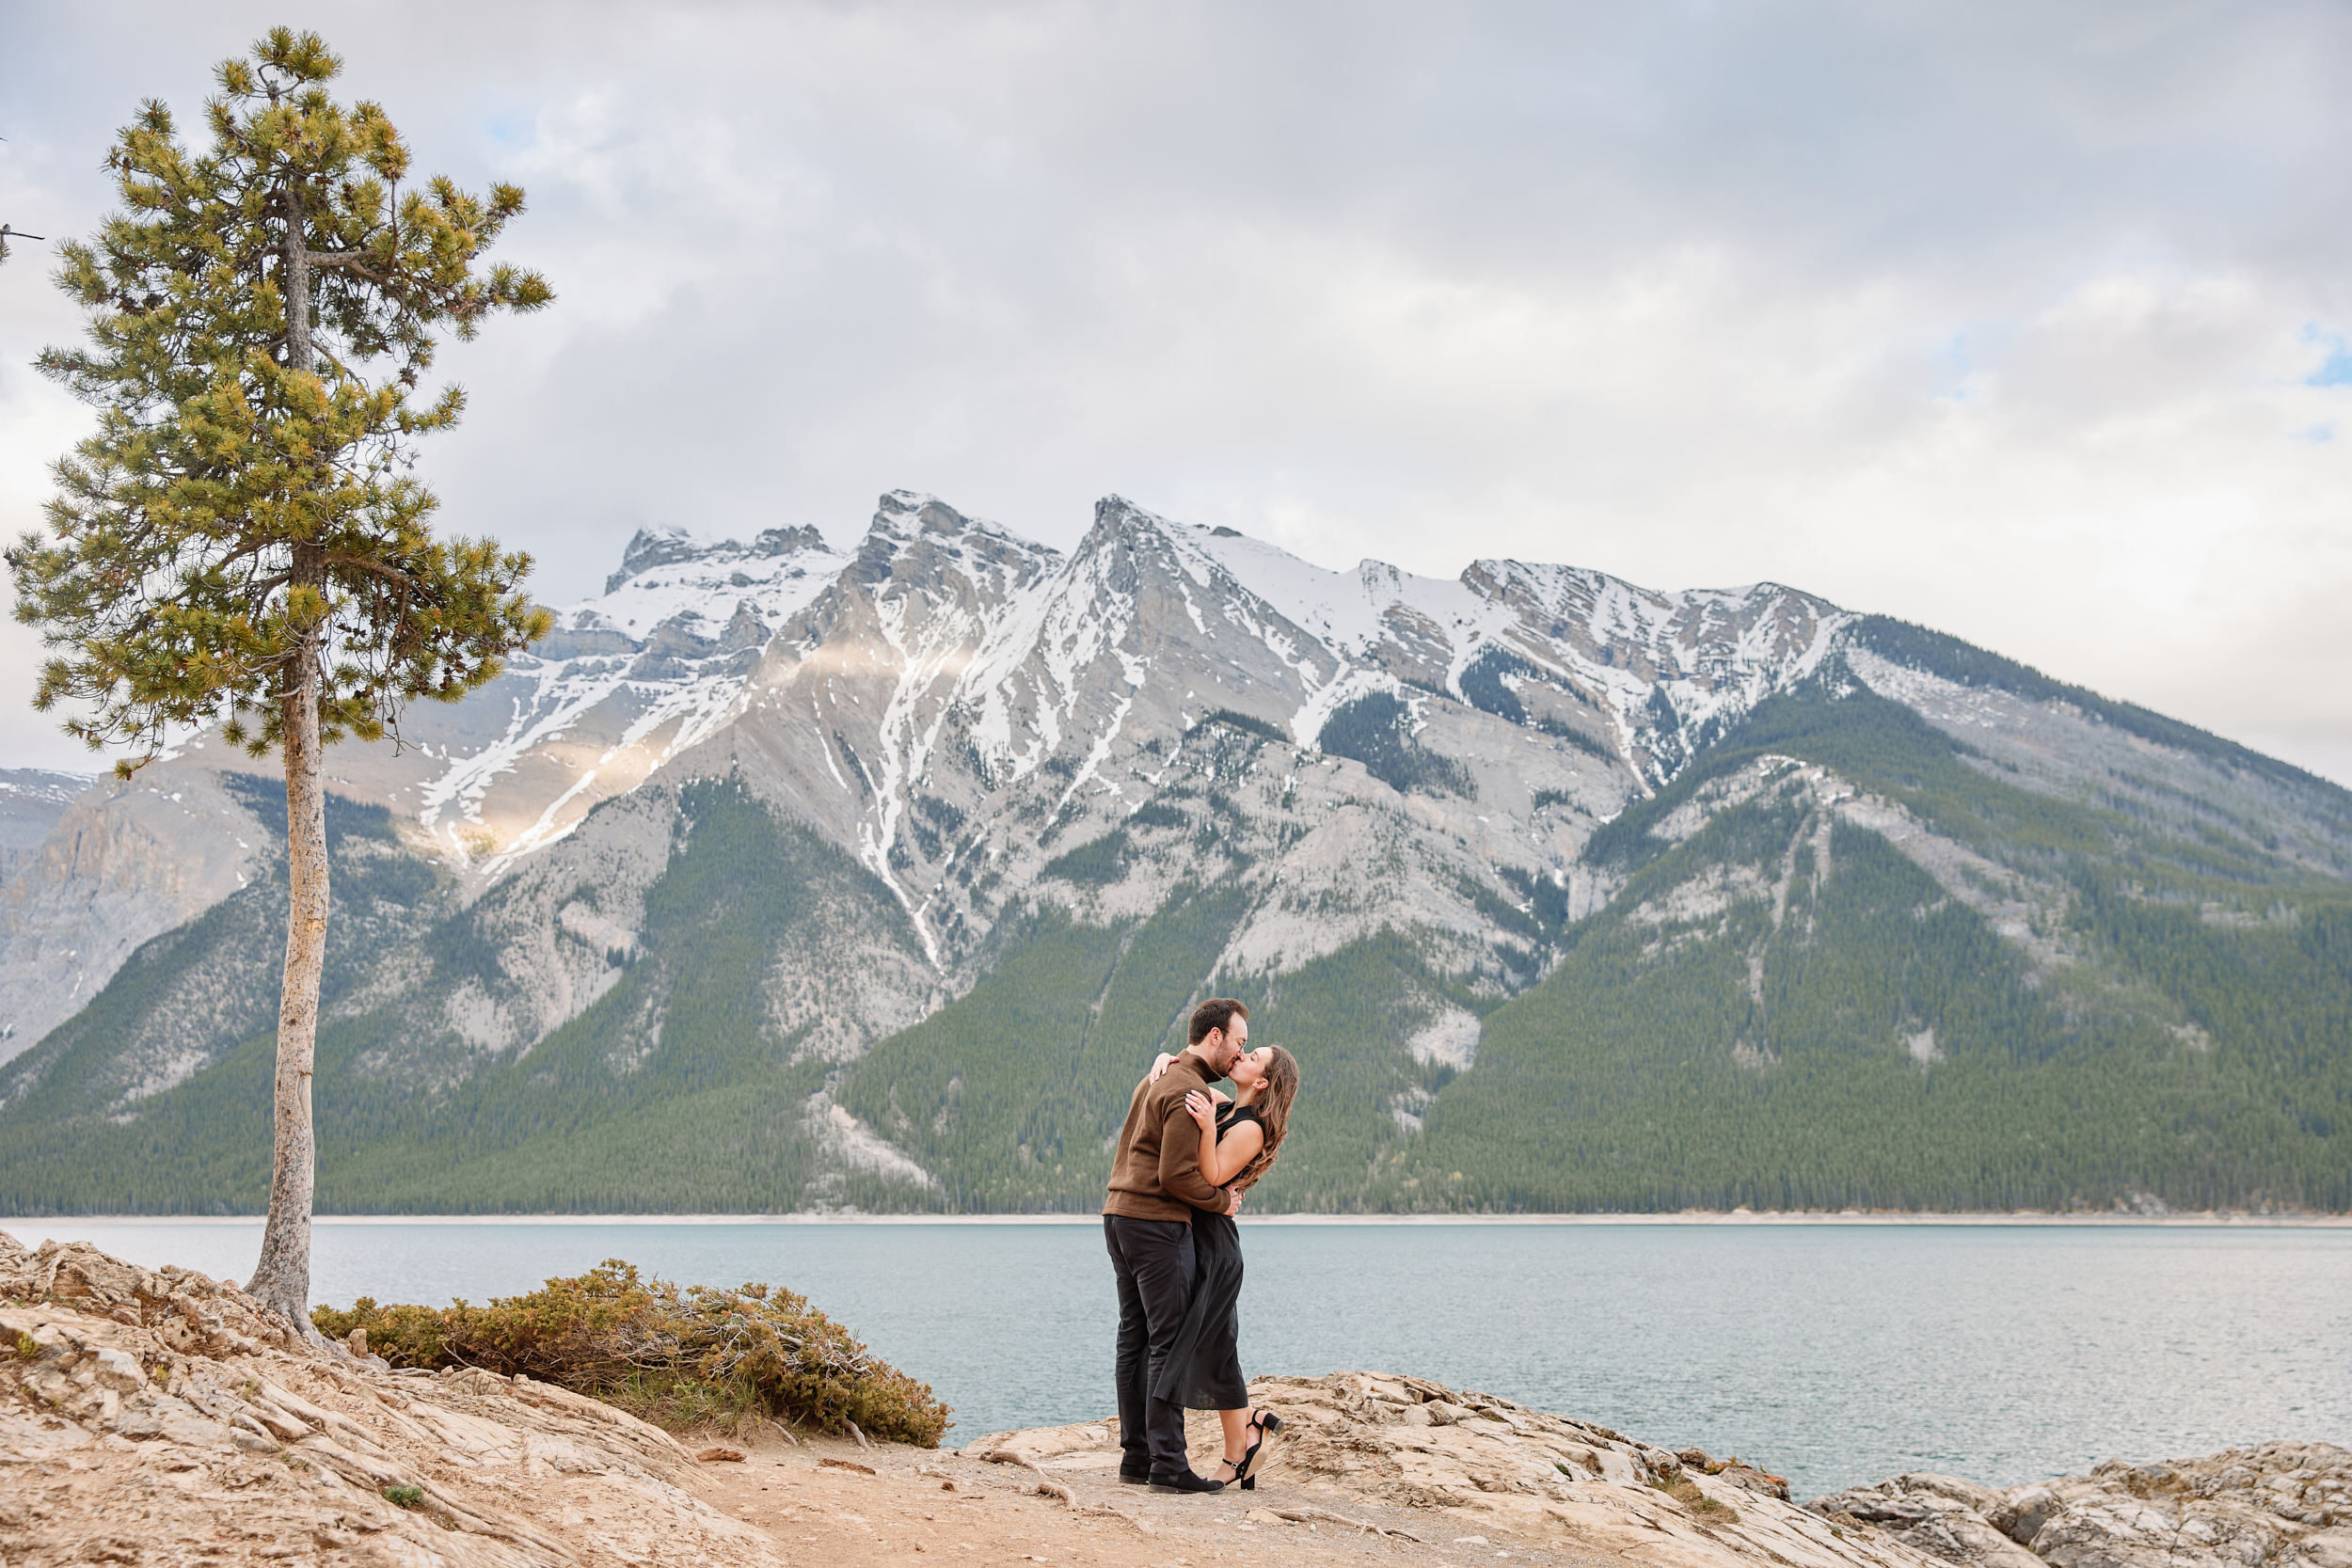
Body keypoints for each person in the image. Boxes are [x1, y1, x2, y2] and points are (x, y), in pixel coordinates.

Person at [1102, 998, 1249, 1494]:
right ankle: (1168, 1464)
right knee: (1167, 1342)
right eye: (1238, 1042)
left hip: (1119, 1217)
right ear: (1214, 1037)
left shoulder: (1160, 1077)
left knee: (1134, 1338)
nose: (1239, 1052)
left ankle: (1137, 1458)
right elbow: (1176, 1174)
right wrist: (1222, 1201)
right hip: (1157, 1224)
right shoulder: (1189, 1089)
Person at [1147, 1039, 1300, 1489]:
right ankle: (1248, 1428)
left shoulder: (1250, 1127)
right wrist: (1166, 1060)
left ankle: (1240, 1450)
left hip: (1216, 1248)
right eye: (1246, 1050)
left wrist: (1208, 1129)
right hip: (1199, 1237)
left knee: (1209, 1345)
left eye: (1254, 1058)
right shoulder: (1230, 1106)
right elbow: (1186, 1074)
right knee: (1213, 1346)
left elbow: (1212, 1176)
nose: (1243, 1056)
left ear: (1264, 1081)